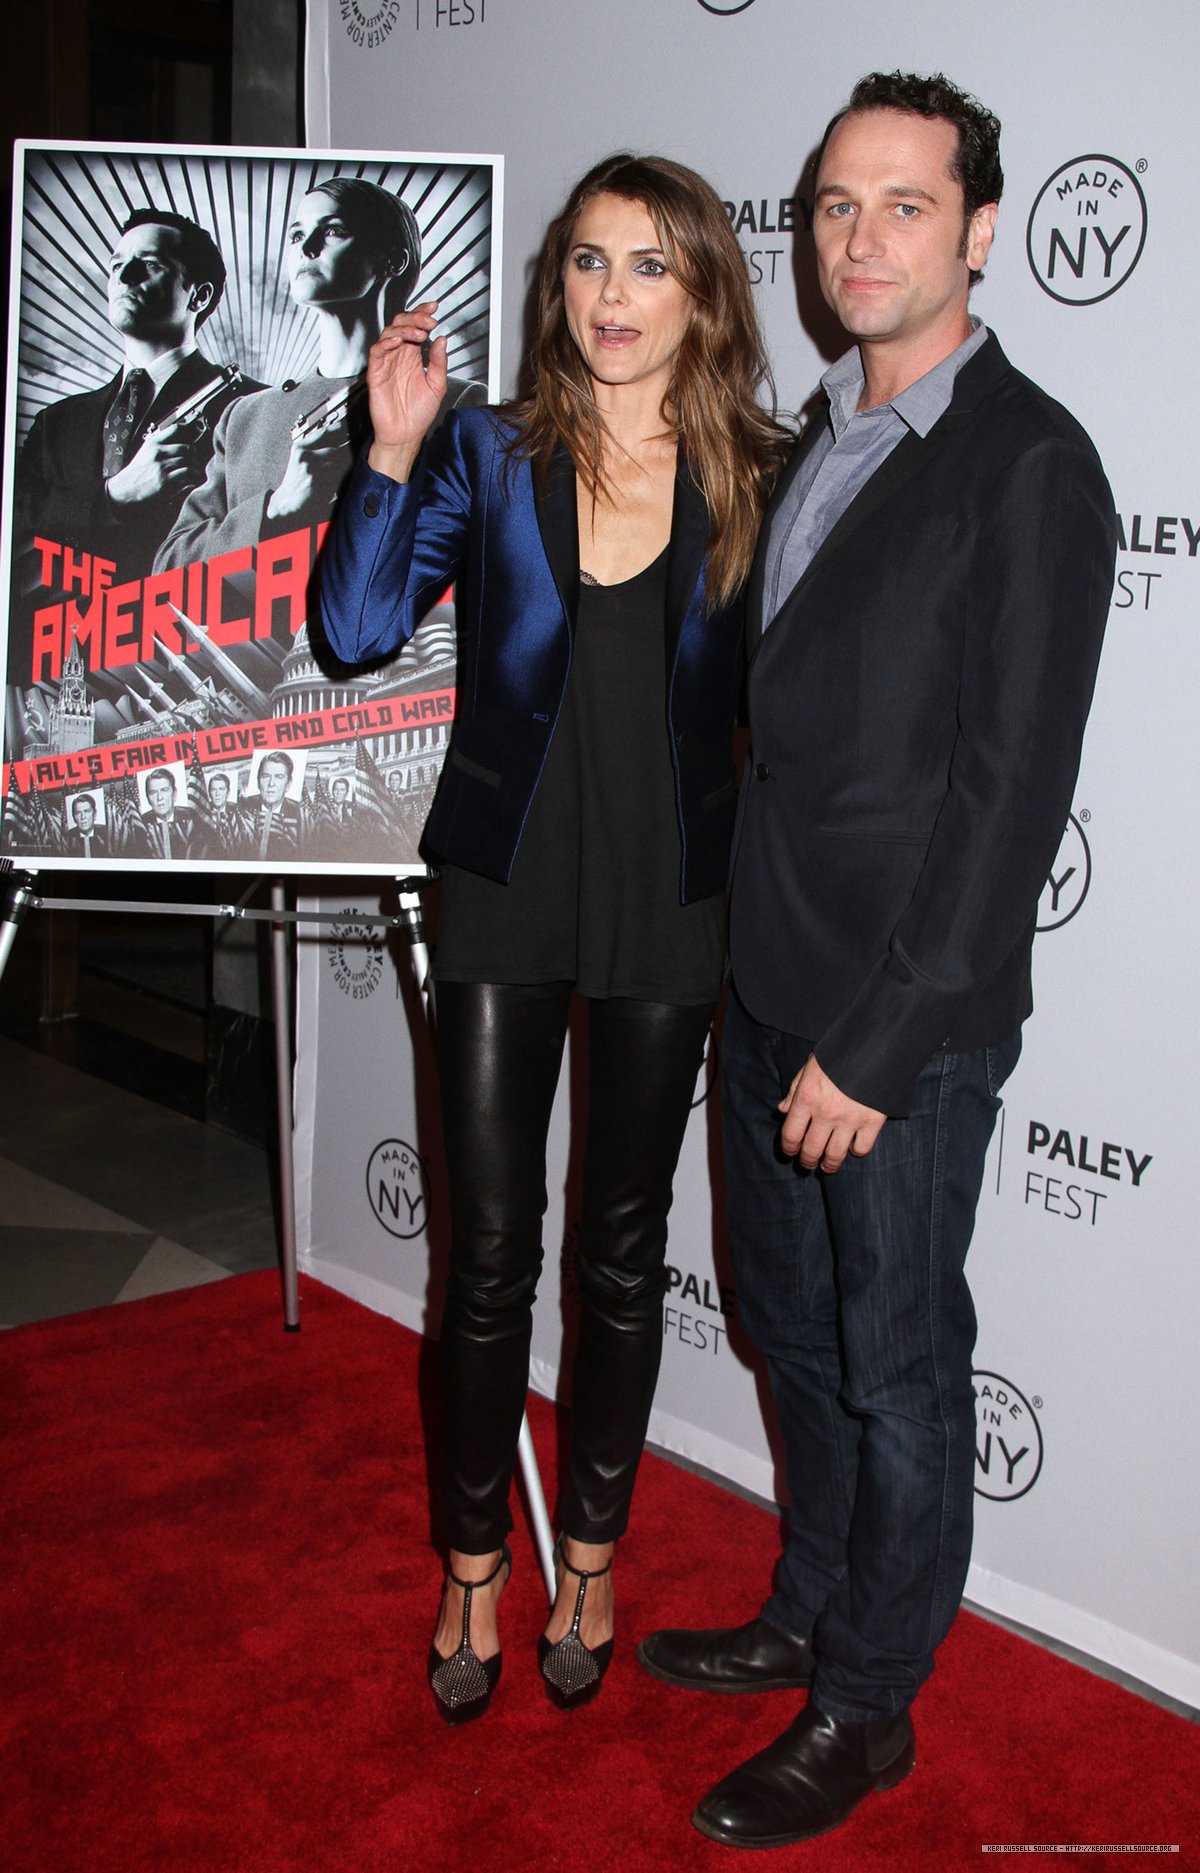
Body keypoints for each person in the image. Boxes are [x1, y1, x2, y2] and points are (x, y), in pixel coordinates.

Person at [636, 74, 1116, 1850]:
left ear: (980, 232)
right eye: (837, 204)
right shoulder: (806, 441)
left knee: (901, 1359)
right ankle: (808, 1607)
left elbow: (1009, 800)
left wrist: (882, 1041)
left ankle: (867, 1705)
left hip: (892, 1025)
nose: (861, 238)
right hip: (765, 994)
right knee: (798, 1335)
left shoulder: (1033, 463)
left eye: (905, 205)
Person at [319, 152, 790, 1724]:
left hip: (670, 893)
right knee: (487, 1260)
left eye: (649, 266)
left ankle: (589, 1546)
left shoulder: (764, 473)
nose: (612, 297)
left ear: (703, 292)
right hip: (506, 885)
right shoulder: (482, 447)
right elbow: (360, 627)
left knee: (622, 1254)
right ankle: (472, 1564)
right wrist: (385, 452)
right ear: (556, 285)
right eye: (588, 263)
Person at [156, 177, 484, 573]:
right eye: (296, 235)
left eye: (333, 230)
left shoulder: (457, 403)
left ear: (392, 261)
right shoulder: (245, 418)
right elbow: (169, 566)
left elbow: (475, 554)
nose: (307, 248)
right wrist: (276, 509)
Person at [17, 208, 252, 582]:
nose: (124, 277)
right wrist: (113, 496)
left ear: (199, 296)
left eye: (150, 265)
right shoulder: (55, 423)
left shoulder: (252, 407)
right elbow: (15, 524)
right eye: (117, 265)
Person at [239, 751, 302, 860]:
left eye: (279, 777)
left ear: (288, 784)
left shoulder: (300, 814)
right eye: (266, 776)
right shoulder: (241, 808)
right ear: (258, 781)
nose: (271, 783)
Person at [139, 765, 195, 860]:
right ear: (148, 799)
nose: (159, 798)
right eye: (153, 792)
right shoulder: (141, 825)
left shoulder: (191, 817)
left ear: (174, 794)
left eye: (164, 790)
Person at [65, 792, 107, 859]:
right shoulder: (67, 838)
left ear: (95, 814)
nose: (83, 817)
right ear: (74, 817)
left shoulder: (106, 833)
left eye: (87, 811)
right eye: (78, 813)